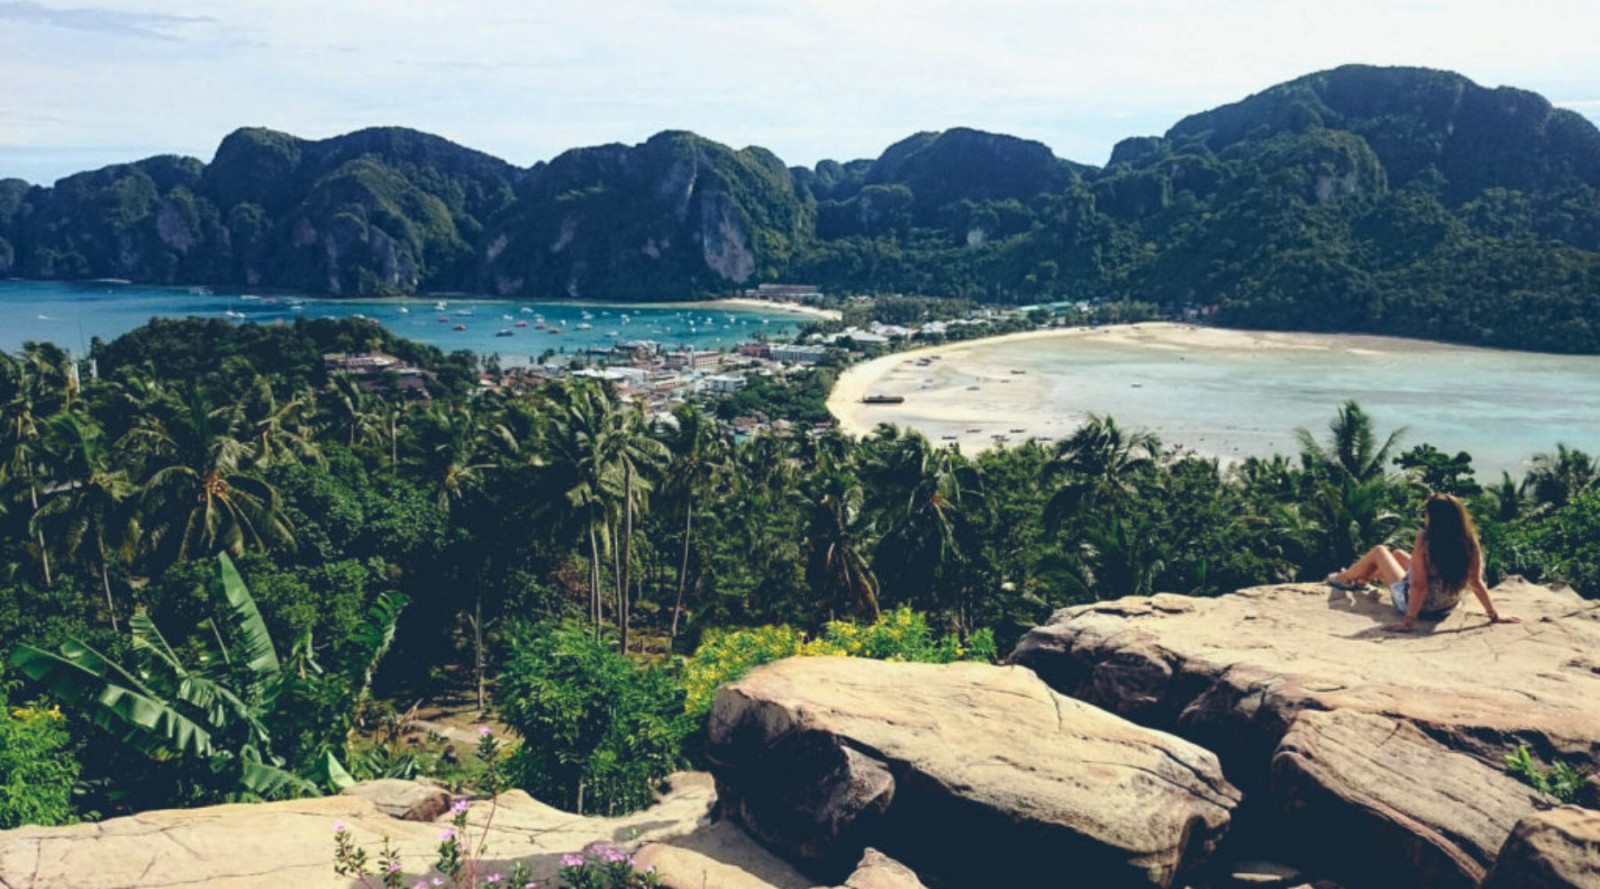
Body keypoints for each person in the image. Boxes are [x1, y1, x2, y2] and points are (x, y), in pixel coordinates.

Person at [1325, 492, 1519, 633]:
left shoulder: (1425, 539)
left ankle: (1343, 578)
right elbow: (1475, 581)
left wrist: (1409, 621)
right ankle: (1362, 579)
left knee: (1380, 552)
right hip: (1446, 606)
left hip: (1418, 606)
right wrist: (1494, 615)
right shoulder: (1469, 541)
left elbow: (1419, 584)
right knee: (1399, 554)